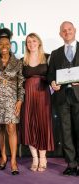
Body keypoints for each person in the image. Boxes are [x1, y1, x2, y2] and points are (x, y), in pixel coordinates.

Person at [0, 28, 24, 175]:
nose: (4, 46)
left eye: (7, 43)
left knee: (11, 129)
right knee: (0, 129)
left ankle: (14, 161)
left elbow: (21, 84)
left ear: (10, 44)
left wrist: (20, 101)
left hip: (11, 101)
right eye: (1, 43)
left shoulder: (18, 62)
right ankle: (3, 157)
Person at [47, 21, 79, 176]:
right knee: (66, 133)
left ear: (75, 30)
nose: (67, 32)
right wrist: (52, 82)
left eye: (69, 29)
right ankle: (71, 164)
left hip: (78, 96)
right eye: (64, 31)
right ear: (60, 34)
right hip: (62, 98)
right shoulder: (55, 53)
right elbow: (50, 74)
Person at [21, 33, 54, 172]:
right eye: (28, 42)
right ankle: (34, 158)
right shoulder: (23, 60)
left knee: (42, 124)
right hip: (28, 96)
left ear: (39, 43)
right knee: (30, 125)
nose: (31, 44)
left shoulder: (47, 57)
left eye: (34, 41)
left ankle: (43, 158)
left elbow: (52, 75)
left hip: (43, 95)